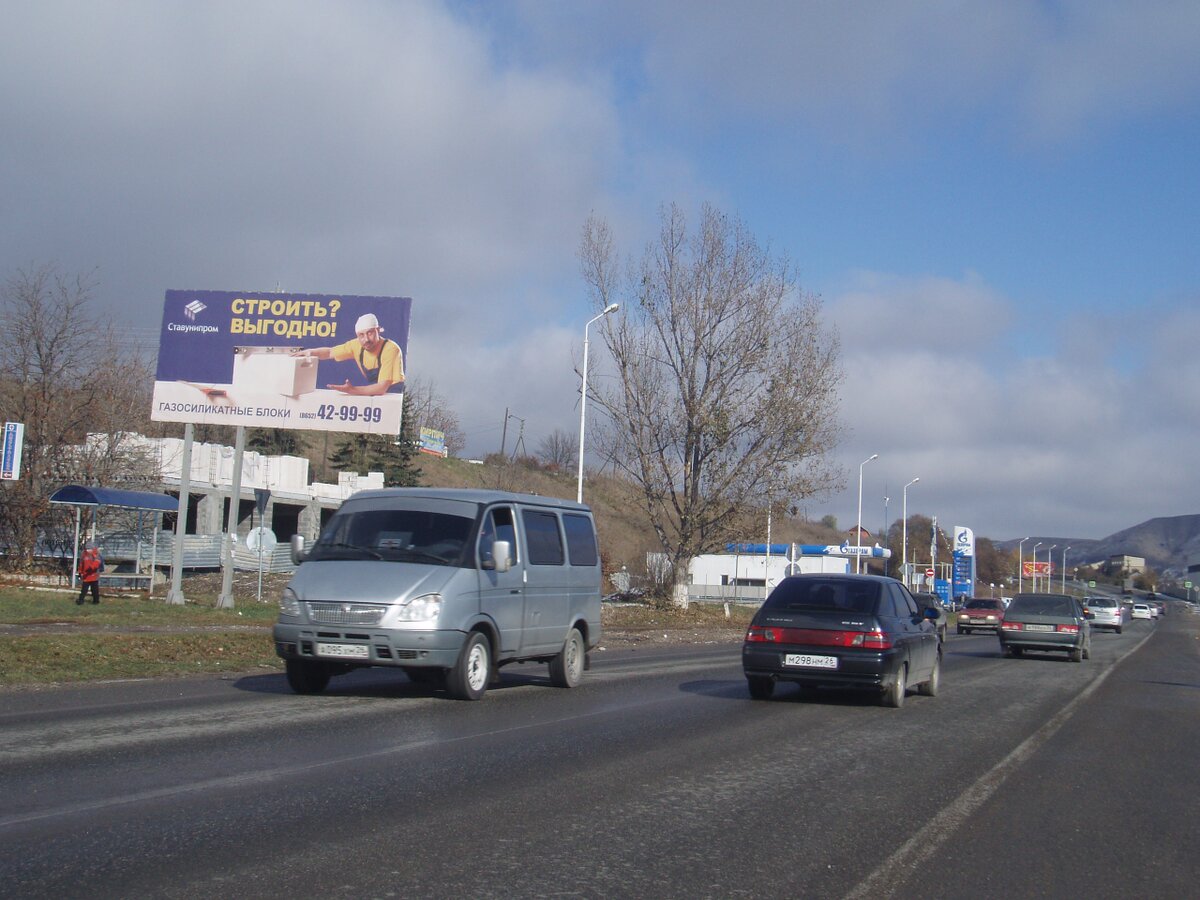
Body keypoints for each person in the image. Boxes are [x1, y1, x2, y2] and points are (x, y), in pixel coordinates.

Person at [293, 313, 404, 396]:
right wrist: (311, 352)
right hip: (373, 393)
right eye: (361, 335)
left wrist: (352, 390)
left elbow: (381, 388)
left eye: (370, 333)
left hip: (393, 394)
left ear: (378, 330)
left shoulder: (391, 349)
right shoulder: (355, 346)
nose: (366, 339)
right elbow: (330, 352)